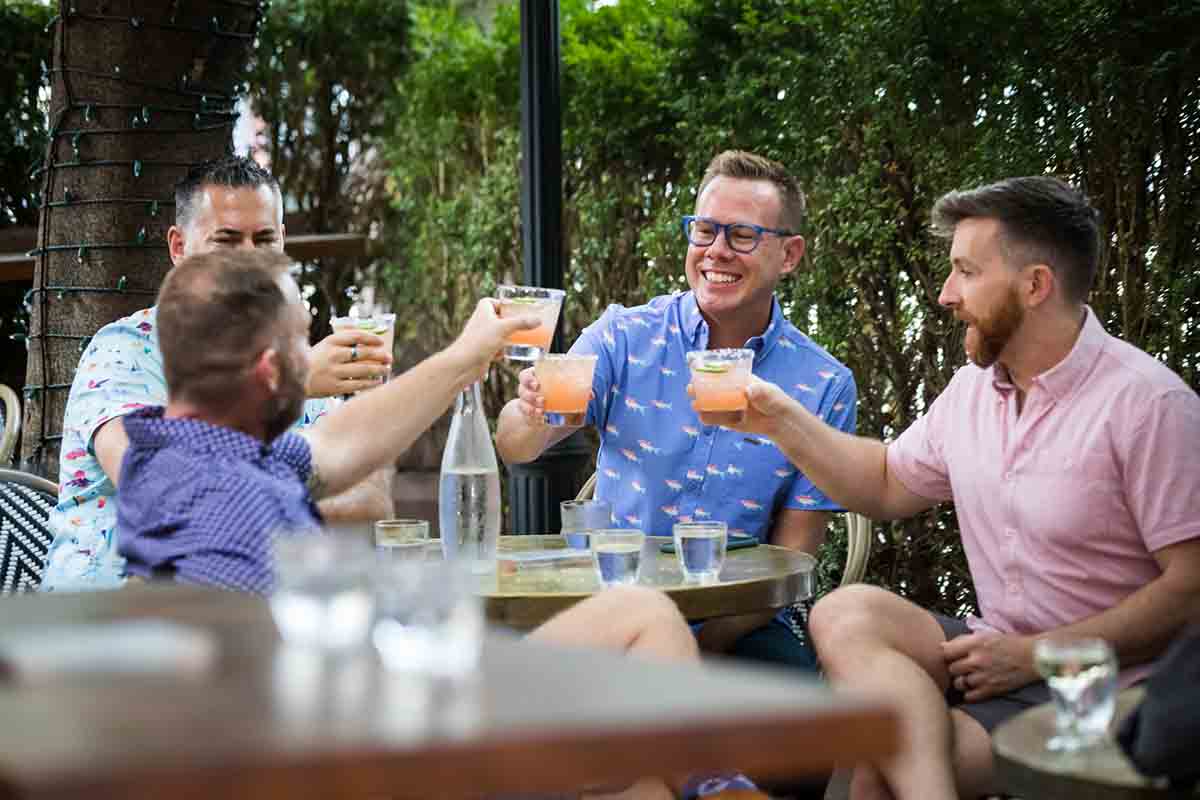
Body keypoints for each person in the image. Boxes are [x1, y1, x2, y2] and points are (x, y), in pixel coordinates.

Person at [116, 247, 761, 800]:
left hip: (379, 717)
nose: (315, 355)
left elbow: (338, 445)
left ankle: (705, 783)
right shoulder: (233, 505)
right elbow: (295, 697)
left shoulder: (181, 450)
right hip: (396, 746)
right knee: (641, 629)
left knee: (640, 739)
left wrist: (467, 356)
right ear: (270, 371)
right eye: (301, 342)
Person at [705, 176, 1200, 799]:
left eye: (965, 272)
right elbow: (885, 483)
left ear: (1035, 285)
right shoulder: (973, 392)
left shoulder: (1149, 406)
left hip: (1110, 691)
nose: (945, 295)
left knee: (873, 773)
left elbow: (1190, 590)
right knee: (845, 610)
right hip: (994, 658)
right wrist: (777, 418)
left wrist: (1036, 655)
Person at [496, 150, 857, 671]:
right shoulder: (624, 335)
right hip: (607, 608)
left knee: (792, 717)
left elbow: (794, 561)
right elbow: (515, 444)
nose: (717, 251)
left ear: (790, 254)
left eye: (743, 235)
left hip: (741, 622)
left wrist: (698, 649)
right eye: (704, 231)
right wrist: (531, 413)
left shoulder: (823, 384)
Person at [41, 156, 394, 592]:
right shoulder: (124, 350)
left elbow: (370, 496)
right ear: (179, 247)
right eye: (225, 241)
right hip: (107, 628)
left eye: (264, 240)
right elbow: (157, 487)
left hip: (238, 618)